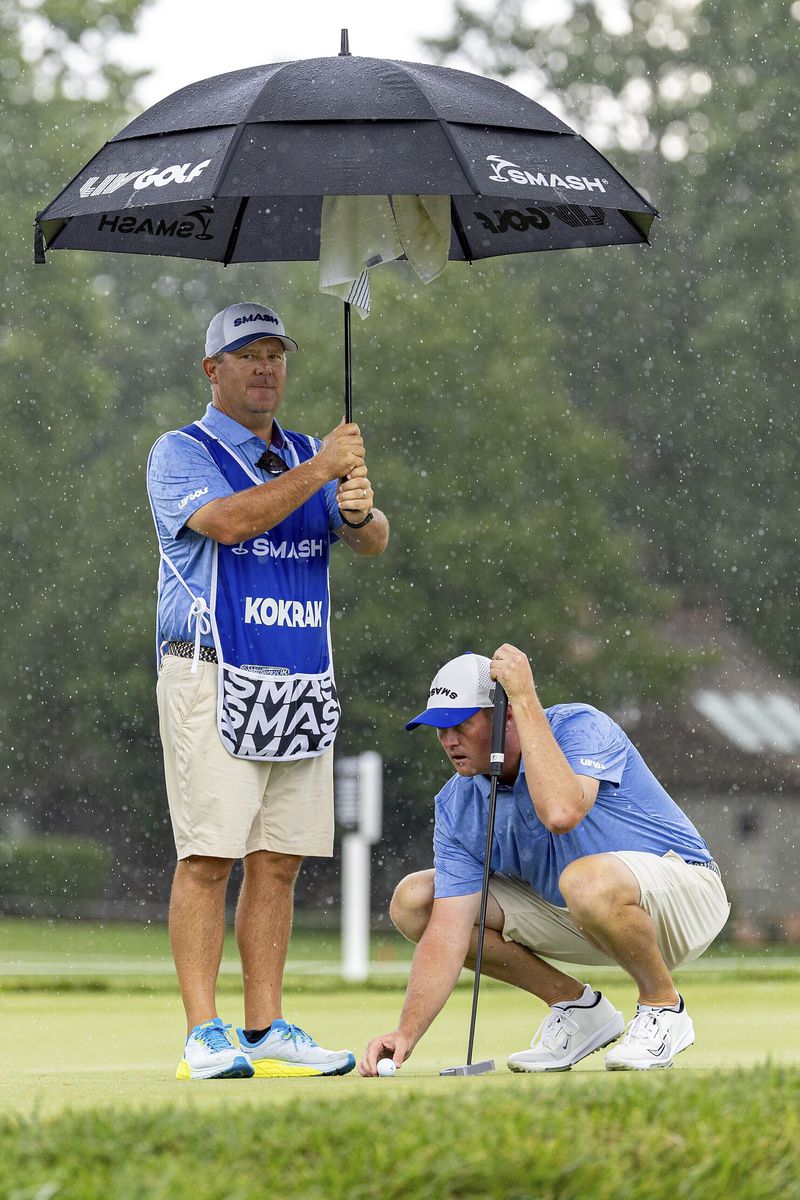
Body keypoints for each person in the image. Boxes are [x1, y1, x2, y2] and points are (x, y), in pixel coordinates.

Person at [146, 302, 389, 1080]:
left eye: (275, 354)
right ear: (212, 370)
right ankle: (201, 1032)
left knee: (278, 860)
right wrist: (319, 474)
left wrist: (356, 509)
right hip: (210, 669)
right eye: (246, 355)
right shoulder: (180, 452)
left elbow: (373, 539)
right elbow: (228, 523)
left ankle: (265, 1026)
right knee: (209, 855)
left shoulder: (316, 450)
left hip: (299, 674)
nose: (264, 368)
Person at [360, 644, 729, 1076]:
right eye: (439, 730)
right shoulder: (457, 804)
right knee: (417, 900)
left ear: (505, 719)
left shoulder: (581, 727)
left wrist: (524, 697)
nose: (448, 741)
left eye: (460, 725)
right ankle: (578, 1009)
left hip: (684, 897)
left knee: (584, 881)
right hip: (579, 911)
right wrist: (406, 1032)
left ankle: (664, 1007)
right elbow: (446, 931)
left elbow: (561, 812)